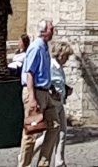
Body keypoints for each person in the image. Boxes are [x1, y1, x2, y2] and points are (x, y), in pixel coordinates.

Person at [19, 19, 70, 167]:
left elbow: (44, 74)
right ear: (44, 31)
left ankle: (43, 163)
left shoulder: (45, 47)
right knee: (31, 132)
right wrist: (32, 97)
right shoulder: (36, 48)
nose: (53, 30)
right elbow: (29, 73)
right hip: (35, 92)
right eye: (51, 28)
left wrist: (52, 89)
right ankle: (23, 165)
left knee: (54, 125)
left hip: (45, 93)